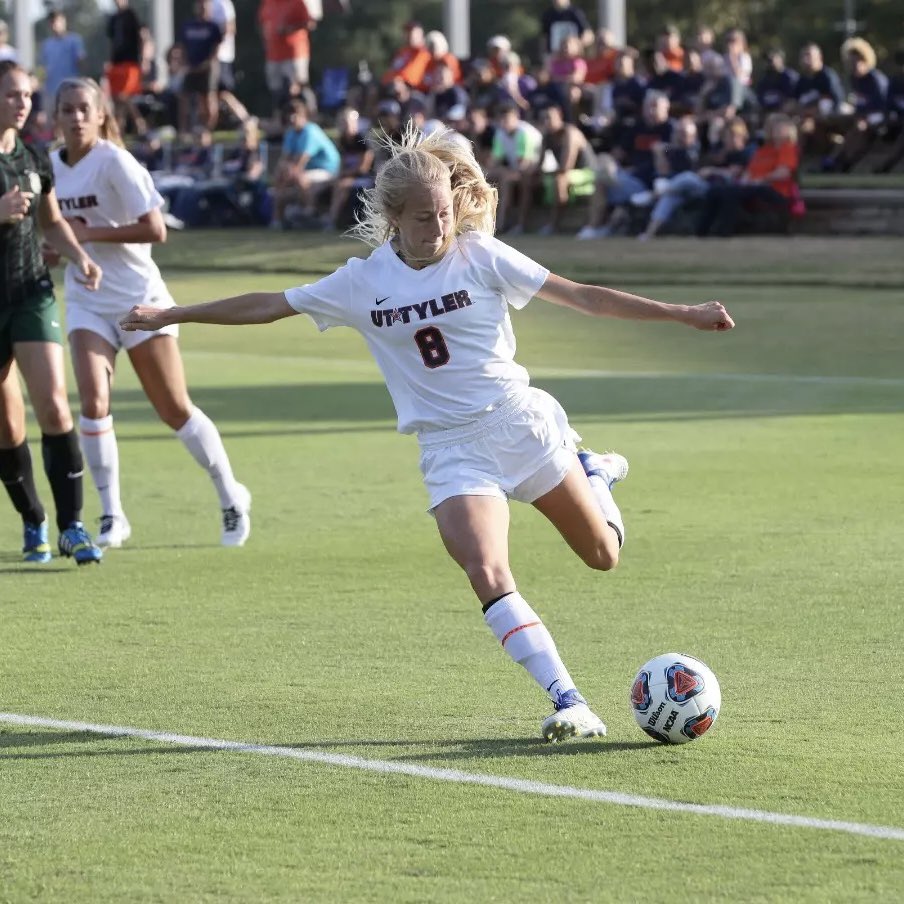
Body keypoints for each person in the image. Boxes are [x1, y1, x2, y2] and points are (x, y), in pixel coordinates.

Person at [121, 125, 735, 743]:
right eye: (422, 219)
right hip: (450, 449)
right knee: (485, 568)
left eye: (443, 213)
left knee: (604, 555)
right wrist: (173, 313)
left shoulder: (480, 255)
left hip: (519, 425)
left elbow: (585, 298)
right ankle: (568, 699)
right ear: (393, 219)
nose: (437, 228)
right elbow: (267, 304)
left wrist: (681, 313)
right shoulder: (360, 282)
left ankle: (593, 475)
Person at [49, 77, 251, 549]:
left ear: (100, 115)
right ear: (55, 117)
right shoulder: (50, 167)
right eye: (66, 109)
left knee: (173, 408)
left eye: (84, 109)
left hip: (140, 298)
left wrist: (87, 235)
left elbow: (156, 229)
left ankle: (230, 494)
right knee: (94, 403)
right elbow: (57, 233)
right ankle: (112, 516)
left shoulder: (114, 161)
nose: (75, 117)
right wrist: (54, 249)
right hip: (87, 299)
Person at [0, 61, 103, 565]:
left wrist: (79, 255)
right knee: (6, 426)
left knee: (56, 407)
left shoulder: (35, 156)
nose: (22, 104)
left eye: (26, 96)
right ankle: (33, 520)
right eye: (12, 95)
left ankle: (73, 527)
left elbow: (52, 221)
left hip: (30, 293)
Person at [697, 113, 801, 237]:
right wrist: (745, 181)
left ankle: (724, 232)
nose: (775, 131)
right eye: (772, 127)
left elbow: (783, 173)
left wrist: (760, 180)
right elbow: (750, 171)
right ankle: (702, 232)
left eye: (779, 128)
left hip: (776, 190)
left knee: (732, 193)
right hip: (754, 187)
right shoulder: (763, 150)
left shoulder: (788, 148)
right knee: (717, 190)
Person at [270, 97, 340, 228]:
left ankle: (310, 212)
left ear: (303, 115)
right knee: (282, 177)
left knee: (299, 176)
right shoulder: (291, 133)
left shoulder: (310, 132)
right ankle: (277, 219)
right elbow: (284, 160)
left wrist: (285, 173)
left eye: (295, 113)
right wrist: (280, 175)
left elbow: (299, 164)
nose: (292, 117)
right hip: (309, 171)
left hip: (327, 171)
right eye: (289, 113)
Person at [178, 0, 223, 134]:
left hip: (207, 68)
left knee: (208, 98)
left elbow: (216, 48)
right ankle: (183, 130)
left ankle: (208, 130)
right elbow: (182, 47)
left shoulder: (213, 27)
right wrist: (184, 64)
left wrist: (208, 64)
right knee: (184, 97)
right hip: (191, 67)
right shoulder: (188, 26)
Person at [106, 0, 146, 136]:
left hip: (130, 61)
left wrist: (144, 58)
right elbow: (112, 42)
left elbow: (141, 37)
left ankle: (140, 123)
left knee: (125, 95)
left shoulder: (131, 15)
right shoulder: (113, 18)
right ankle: (119, 130)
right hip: (117, 62)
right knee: (117, 99)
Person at [39, 11, 86, 107]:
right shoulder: (47, 44)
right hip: (51, 89)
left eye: (57, 21)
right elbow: (43, 67)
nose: (54, 24)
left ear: (64, 21)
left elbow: (81, 62)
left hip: (70, 88)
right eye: (52, 22)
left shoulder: (74, 40)